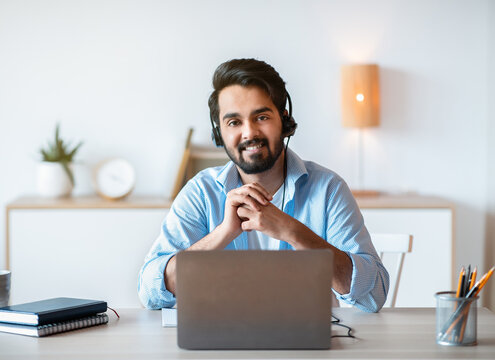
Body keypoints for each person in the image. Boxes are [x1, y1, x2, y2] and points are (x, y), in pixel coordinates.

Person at [138, 58, 389, 313]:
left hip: (306, 351)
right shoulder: (200, 192)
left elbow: (374, 295)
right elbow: (150, 292)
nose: (249, 133)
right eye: (234, 122)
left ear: (285, 121)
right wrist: (222, 233)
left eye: (261, 117)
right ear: (219, 134)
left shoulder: (328, 189)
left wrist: (293, 231)